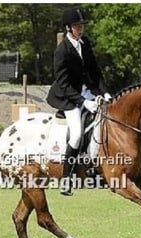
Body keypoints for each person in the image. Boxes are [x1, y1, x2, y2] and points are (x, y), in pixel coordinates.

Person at [46, 7, 112, 196]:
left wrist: (104, 92)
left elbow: (95, 71)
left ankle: (93, 166)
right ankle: (66, 178)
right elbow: (64, 85)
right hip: (68, 98)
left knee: (104, 121)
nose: (80, 29)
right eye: (77, 26)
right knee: (76, 134)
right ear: (68, 28)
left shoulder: (85, 43)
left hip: (87, 92)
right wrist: (84, 102)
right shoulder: (62, 51)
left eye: (81, 25)